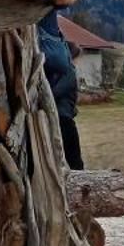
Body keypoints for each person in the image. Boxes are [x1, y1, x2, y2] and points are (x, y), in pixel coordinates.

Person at [38, 11, 84, 170]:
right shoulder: (68, 71)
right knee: (74, 161)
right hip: (62, 119)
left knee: (67, 160)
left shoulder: (59, 72)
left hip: (59, 117)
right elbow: (58, 93)